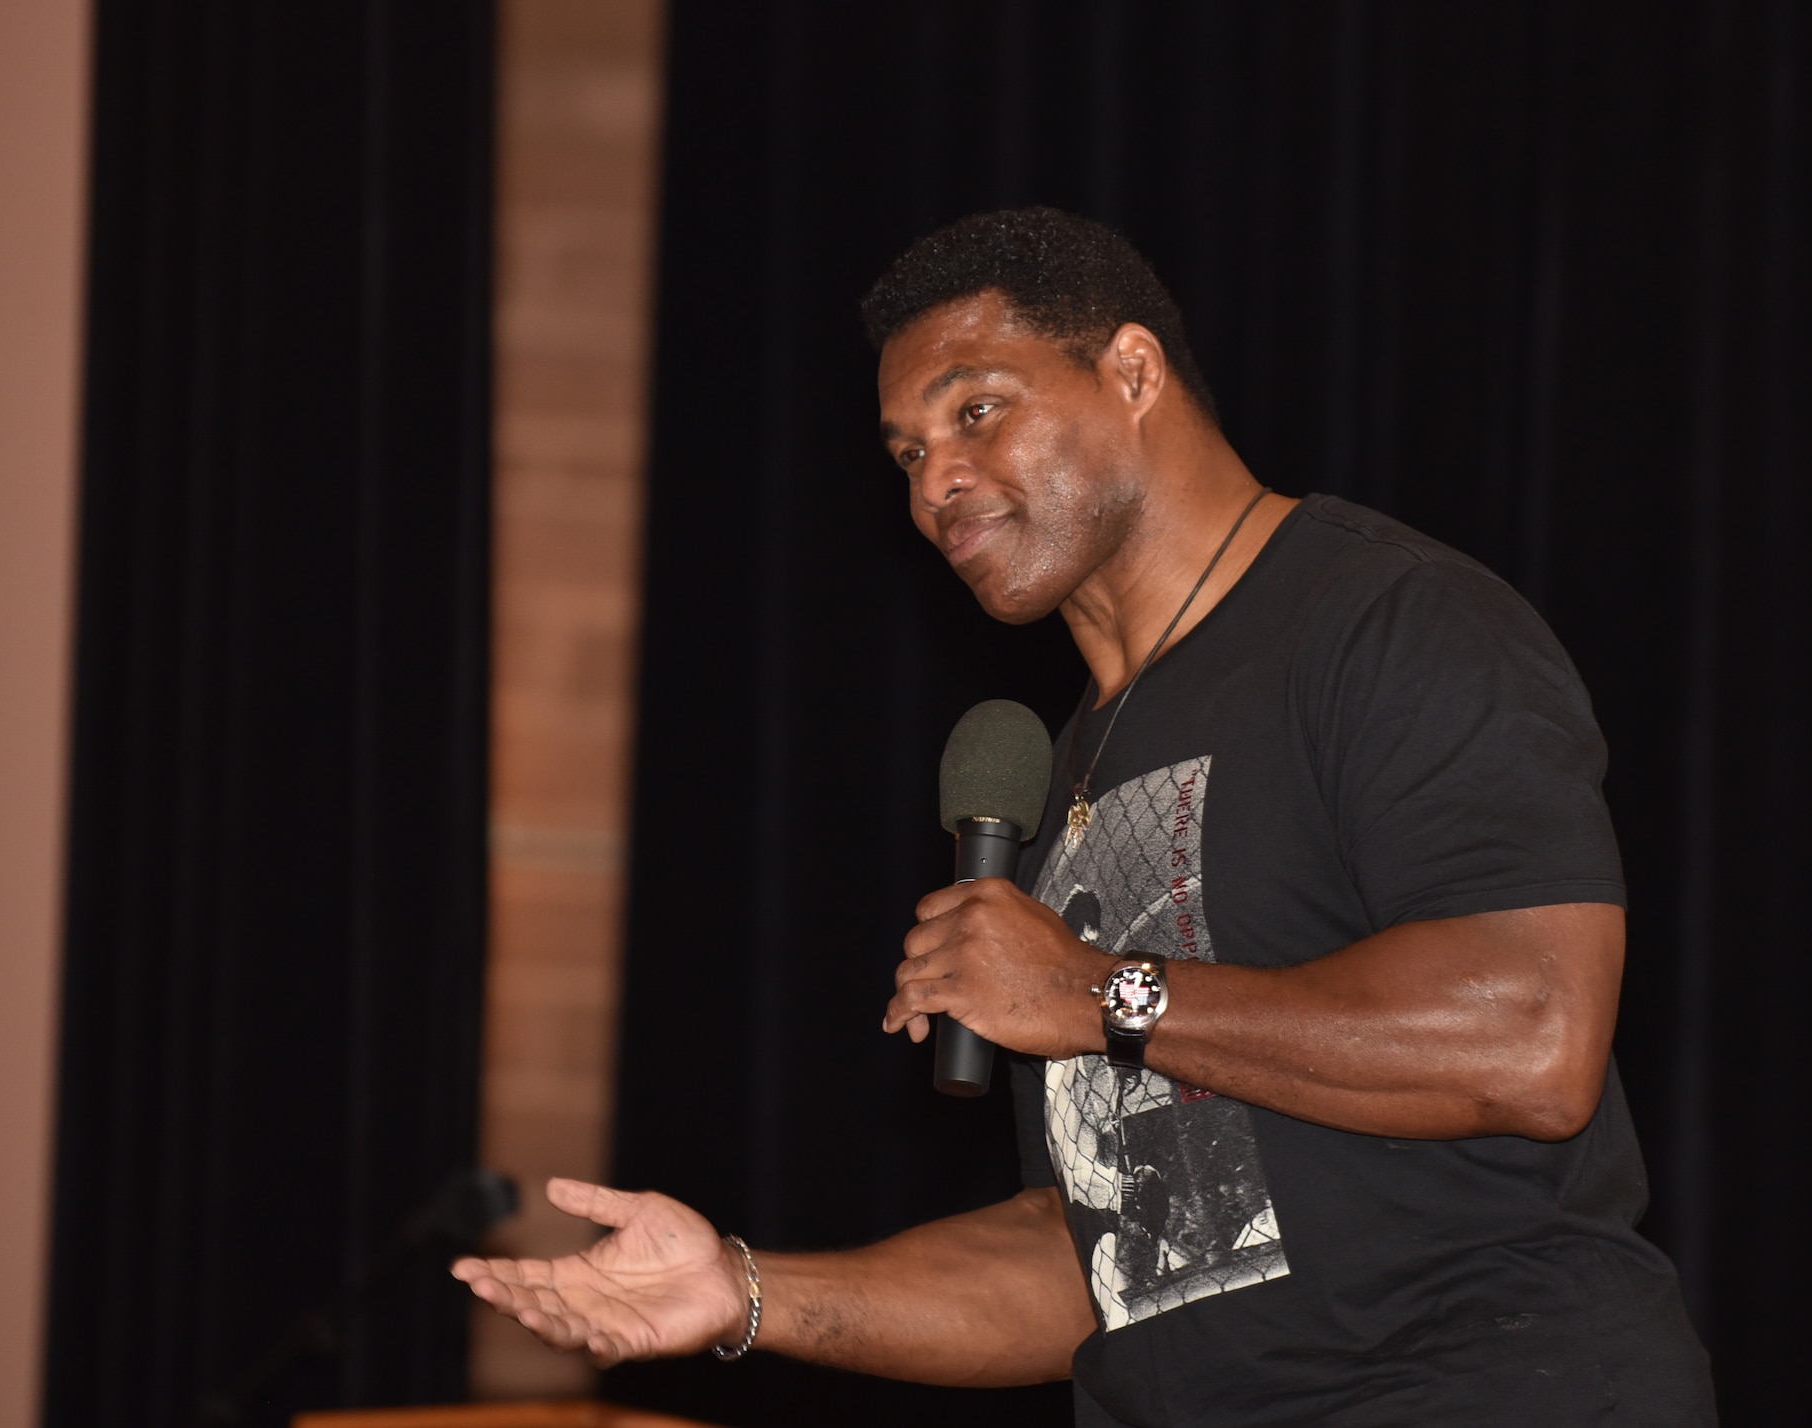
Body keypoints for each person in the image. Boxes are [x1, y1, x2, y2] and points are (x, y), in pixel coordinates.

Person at [454, 208, 1716, 1425]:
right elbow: (1100, 1263)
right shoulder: (1066, 771)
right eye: (904, 452)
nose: (937, 480)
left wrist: (1098, 994)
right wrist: (743, 1290)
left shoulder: (1386, 624)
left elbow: (1527, 1038)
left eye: (977, 410)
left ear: (1130, 368)